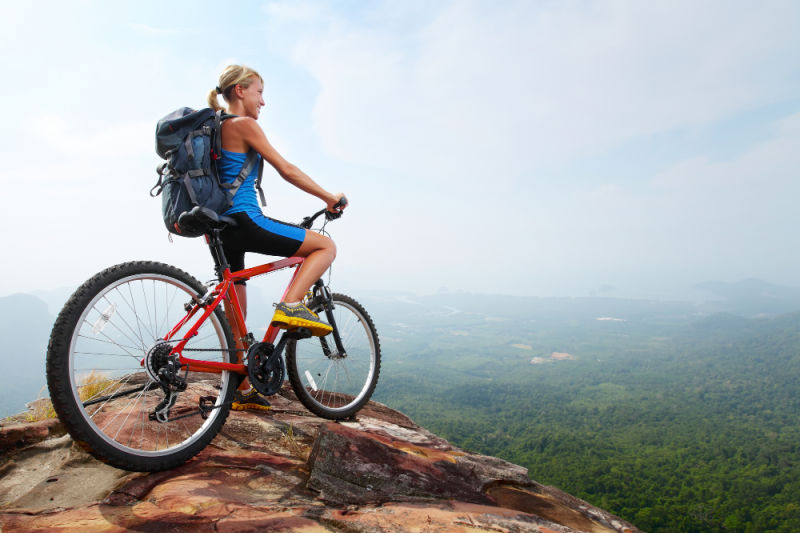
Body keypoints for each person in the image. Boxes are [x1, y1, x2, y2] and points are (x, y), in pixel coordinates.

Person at [208, 65, 345, 410]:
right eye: (259, 92)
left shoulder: (214, 127)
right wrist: (328, 197)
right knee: (325, 245)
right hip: (244, 220)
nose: (263, 102)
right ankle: (291, 306)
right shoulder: (243, 125)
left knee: (236, 302)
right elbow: (287, 170)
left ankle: (241, 388)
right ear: (240, 90)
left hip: (218, 228)